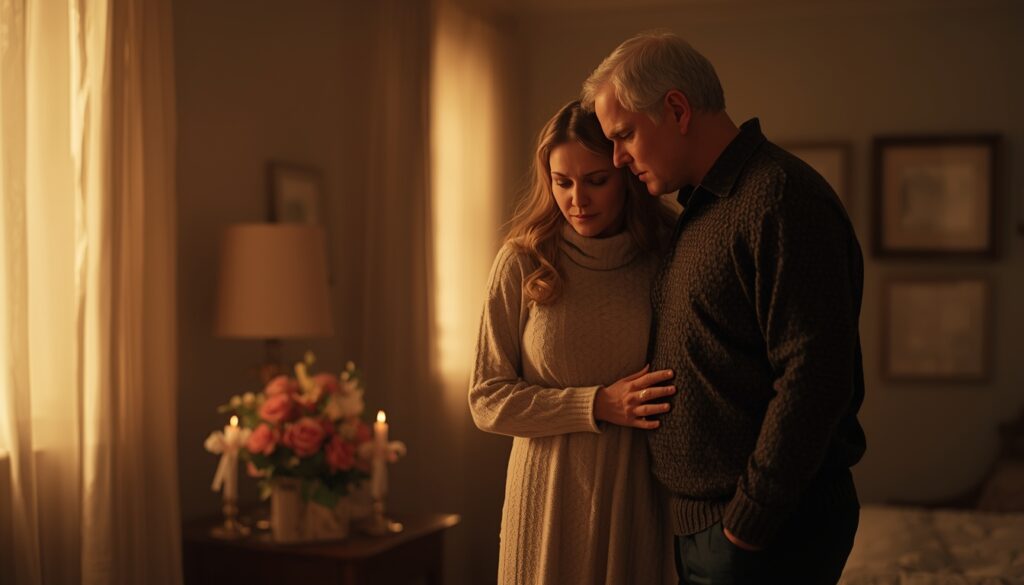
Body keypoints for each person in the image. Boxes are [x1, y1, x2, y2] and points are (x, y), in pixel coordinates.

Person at [581, 32, 867, 584]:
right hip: (716, 530)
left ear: (677, 109)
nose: (617, 158)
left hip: (766, 534)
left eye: (624, 135)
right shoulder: (704, 209)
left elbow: (816, 376)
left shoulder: (779, 198)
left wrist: (745, 525)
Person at [469, 100, 679, 584]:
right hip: (546, 498)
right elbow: (486, 400)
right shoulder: (523, 260)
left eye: (595, 180)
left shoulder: (666, 253)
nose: (577, 199)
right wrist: (597, 404)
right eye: (562, 182)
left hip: (638, 493)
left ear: (625, 174)